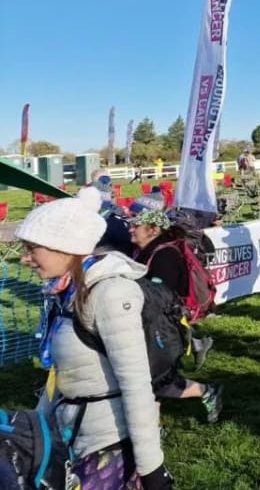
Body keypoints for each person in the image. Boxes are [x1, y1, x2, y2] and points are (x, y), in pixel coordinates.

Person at [16, 195, 174, 489]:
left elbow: (137, 384)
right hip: (72, 434)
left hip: (107, 445)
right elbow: (59, 371)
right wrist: (35, 428)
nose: (25, 258)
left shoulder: (110, 294)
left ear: (65, 247)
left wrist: (151, 469)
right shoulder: (65, 291)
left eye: (32, 249)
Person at [129, 209, 223, 423]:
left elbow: (163, 296)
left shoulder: (165, 255)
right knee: (153, 382)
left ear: (153, 230)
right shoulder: (143, 251)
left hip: (164, 326)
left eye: (136, 226)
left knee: (154, 381)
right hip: (151, 324)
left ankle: (206, 391)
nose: (131, 228)